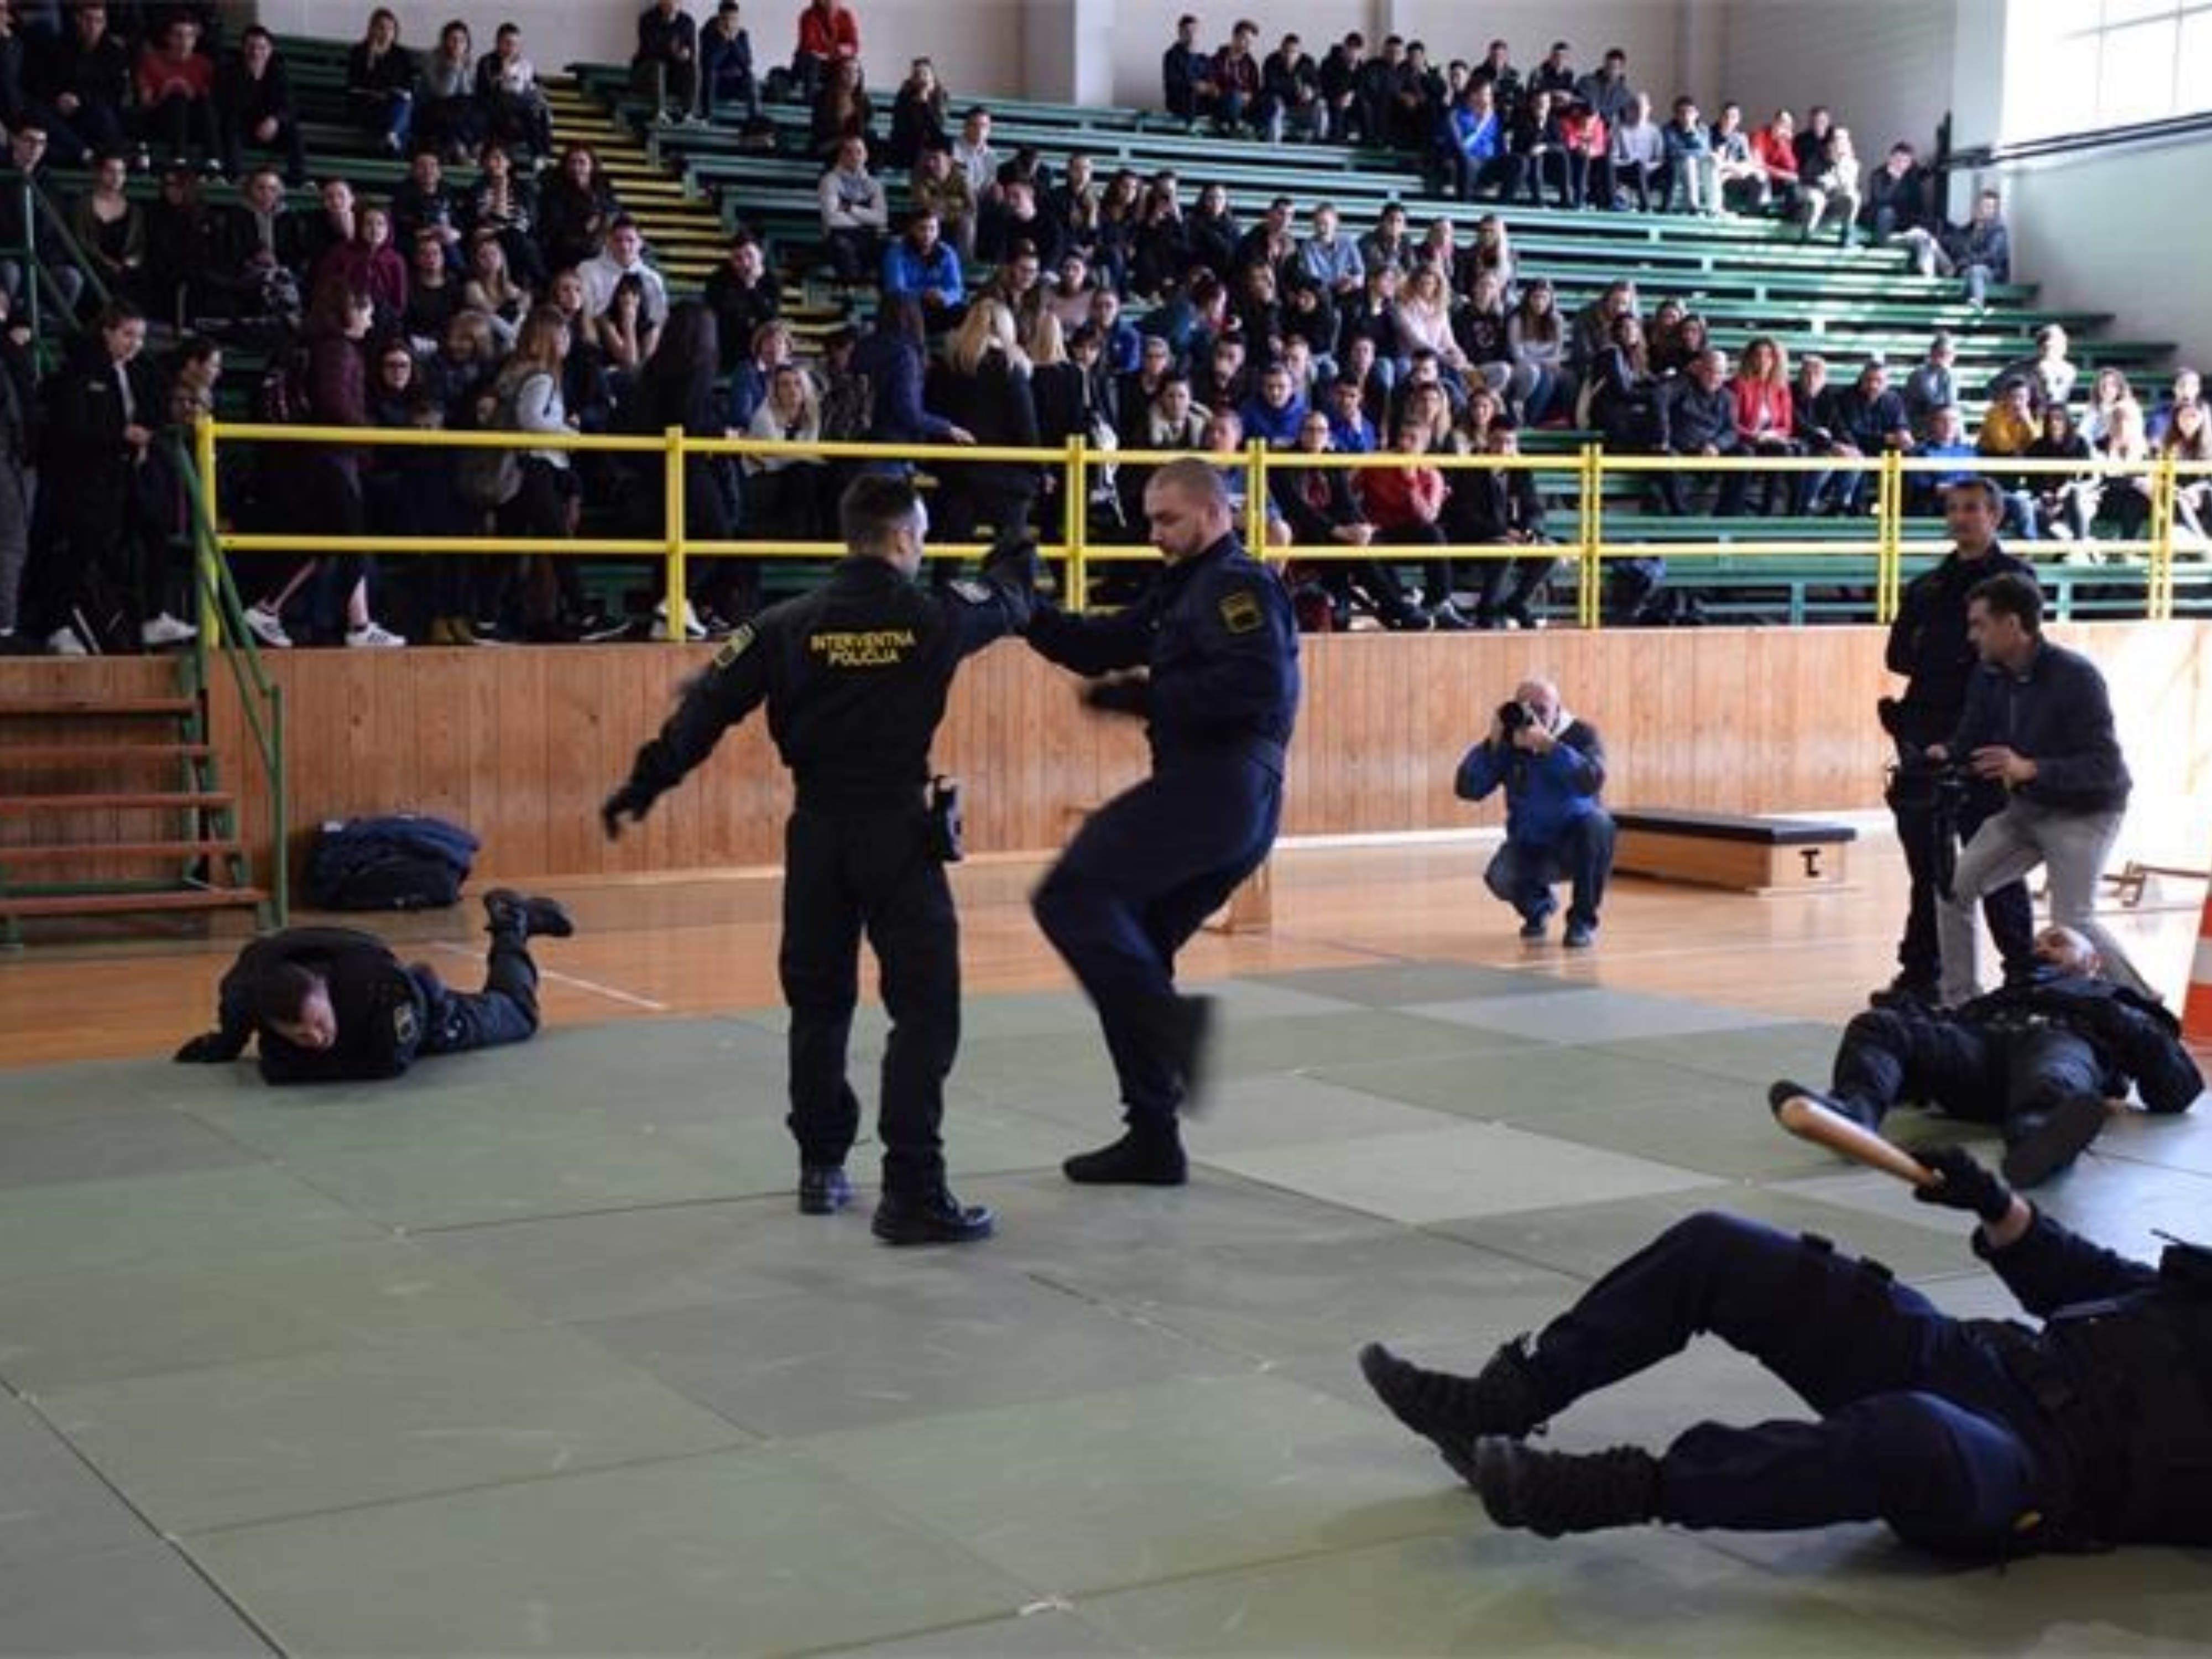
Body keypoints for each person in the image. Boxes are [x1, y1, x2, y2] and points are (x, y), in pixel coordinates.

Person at [1362, 1138, 2212, 1553]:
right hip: (1979, 1362)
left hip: (2034, 1475)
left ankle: (1608, 1490)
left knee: (1908, 1434)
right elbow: (2088, 1277)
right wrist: (1994, 1202)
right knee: (1723, 1248)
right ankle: (1500, 1403)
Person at [602, 476, 1036, 1245]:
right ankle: (913, 1188)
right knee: (926, 1011)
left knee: (820, 1002)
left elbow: (706, 706)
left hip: (818, 832)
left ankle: (820, 1166)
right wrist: (1012, 542)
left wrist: (647, 781)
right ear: (903, 537)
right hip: (898, 831)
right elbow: (1009, 600)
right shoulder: (931, 617)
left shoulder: (784, 623)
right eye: (923, 534)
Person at [1023, 458, 1300, 1186]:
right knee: (1134, 946)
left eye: (1168, 519)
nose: (1155, 534)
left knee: (1071, 895)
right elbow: (1102, 642)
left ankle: (1173, 1028)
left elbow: (1259, 683)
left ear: (1216, 514)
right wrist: (1026, 610)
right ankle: (1153, 1138)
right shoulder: (1182, 589)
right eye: (1149, 520)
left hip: (1227, 783)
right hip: (1217, 792)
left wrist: (1149, 699)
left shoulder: (1235, 585)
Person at [1776, 924, 2200, 1188]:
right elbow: (1931, 1042)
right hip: (1982, 1053)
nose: (2042, 948)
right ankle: (1854, 1113)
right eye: (2037, 943)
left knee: (2052, 1071)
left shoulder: (2114, 1002)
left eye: (2057, 943)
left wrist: (2117, 1016)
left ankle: (2039, 1141)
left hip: (2059, 1045)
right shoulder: (1999, 997)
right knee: (1880, 1025)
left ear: (2092, 962)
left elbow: (2177, 1091)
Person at [1934, 572, 2152, 1006]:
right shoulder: (1989, 673)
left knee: (2074, 921)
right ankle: (1962, 1005)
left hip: (2086, 811)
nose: (1971, 635)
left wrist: (2030, 768)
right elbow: (1971, 735)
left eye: (1979, 624)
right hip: (2026, 811)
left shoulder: (2076, 676)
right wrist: (1943, 754)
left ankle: (2146, 1007)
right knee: (1953, 890)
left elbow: (2104, 766)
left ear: (2012, 625)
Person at [1879, 477, 2037, 1006]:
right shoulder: (1928, 587)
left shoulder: (2015, 580)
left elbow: (2025, 658)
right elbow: (1898, 657)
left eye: (1971, 509)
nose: (1960, 518)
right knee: (1927, 864)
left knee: (1990, 859)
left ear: (1994, 516)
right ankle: (1922, 971)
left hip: (1988, 736)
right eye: (1953, 509)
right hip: (1924, 734)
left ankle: (2021, 975)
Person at [172, 893, 572, 1084]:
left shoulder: (371, 981)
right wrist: (221, 1046)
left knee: (517, 1016)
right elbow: (234, 1027)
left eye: (318, 1022)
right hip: (367, 1004)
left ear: (325, 992)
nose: (315, 1037)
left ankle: (511, 923)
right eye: (298, 1034)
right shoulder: (247, 990)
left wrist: (293, 1069)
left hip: (417, 1005)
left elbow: (391, 1063)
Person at [1454, 677, 1610, 946]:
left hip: (1576, 844)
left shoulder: (1582, 734)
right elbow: (1468, 789)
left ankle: (1582, 924)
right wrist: (1491, 746)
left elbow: (1592, 780)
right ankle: (1539, 909)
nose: (1534, 716)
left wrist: (1551, 747)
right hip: (1532, 844)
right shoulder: (1508, 743)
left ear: (1558, 709)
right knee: (1501, 877)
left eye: (1542, 708)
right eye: (1527, 708)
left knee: (1599, 825)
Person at [634, 0, 700, 120]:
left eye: (676, 2)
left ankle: (688, 113)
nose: (673, 5)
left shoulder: (687, 21)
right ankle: (660, 112)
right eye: (669, 3)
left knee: (692, 67)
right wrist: (673, 51)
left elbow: (692, 51)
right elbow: (650, 51)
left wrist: (686, 54)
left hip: (673, 75)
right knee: (658, 65)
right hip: (647, 74)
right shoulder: (647, 19)